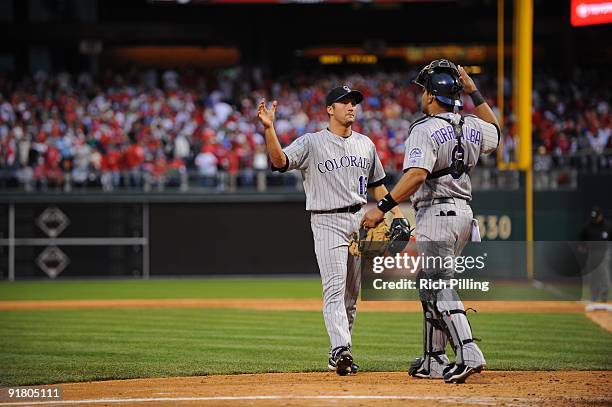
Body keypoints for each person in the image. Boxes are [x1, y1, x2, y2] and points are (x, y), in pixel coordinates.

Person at [361, 59, 500, 383]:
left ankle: (467, 350)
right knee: (428, 281)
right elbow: (496, 132)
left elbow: (417, 175)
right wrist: (474, 91)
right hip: (463, 213)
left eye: (425, 90)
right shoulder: (473, 125)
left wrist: (381, 207)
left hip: (437, 213)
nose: (422, 95)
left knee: (437, 282)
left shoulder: (424, 128)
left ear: (431, 97)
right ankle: (433, 358)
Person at [257, 86, 406, 376]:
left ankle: (338, 352)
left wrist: (396, 214)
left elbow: (378, 185)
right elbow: (280, 162)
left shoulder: (366, 144)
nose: (351, 107)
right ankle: (341, 349)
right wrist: (269, 129)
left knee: (351, 296)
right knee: (335, 289)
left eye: (354, 103)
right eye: (345, 102)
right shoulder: (312, 142)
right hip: (326, 220)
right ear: (329, 109)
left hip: (359, 221)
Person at [580, 206, 611, 307]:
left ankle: (604, 297)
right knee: (593, 276)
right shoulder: (588, 226)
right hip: (592, 253)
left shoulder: (607, 226)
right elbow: (581, 239)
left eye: (596, 217)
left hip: (604, 253)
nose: (594, 219)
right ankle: (593, 298)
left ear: (600, 216)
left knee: (603, 273)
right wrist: (582, 246)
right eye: (593, 217)